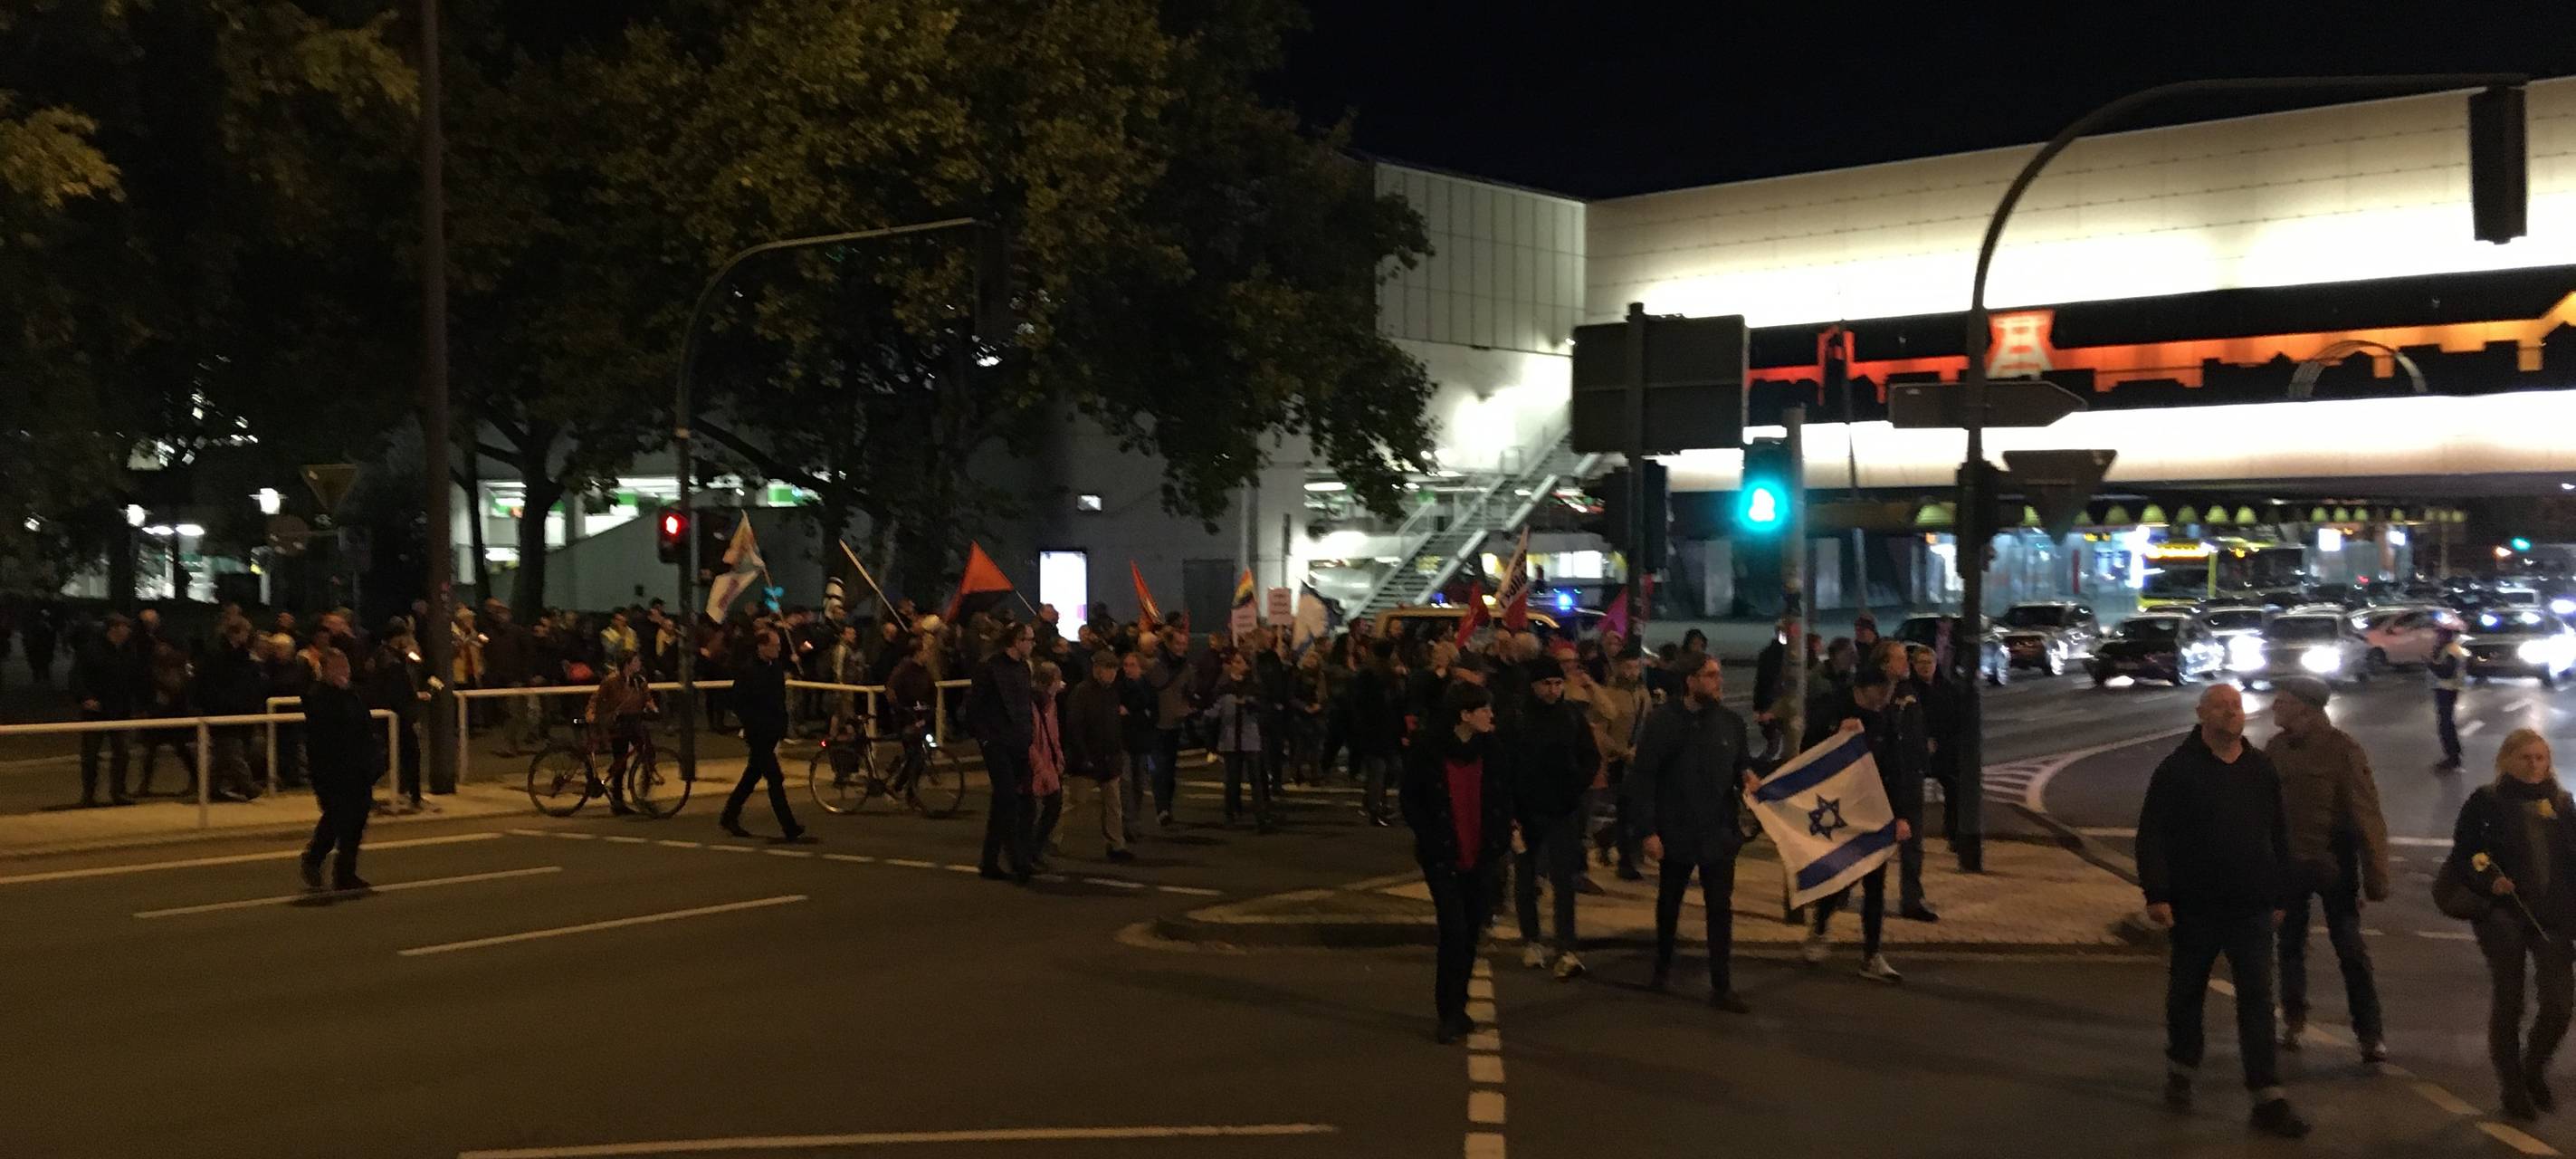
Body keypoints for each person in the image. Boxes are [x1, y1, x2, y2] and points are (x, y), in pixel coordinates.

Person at [2136, 684, 2309, 1138]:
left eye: (2236, 706)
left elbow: (2278, 833)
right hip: (2195, 906)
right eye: (2221, 706)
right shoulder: (2178, 770)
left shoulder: (2259, 768)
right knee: (2187, 992)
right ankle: (2182, 1067)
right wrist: (2157, 894)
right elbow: (2152, 834)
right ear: (2202, 714)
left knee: (2257, 1000)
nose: (2232, 713)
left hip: (2251, 906)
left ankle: (2267, 1095)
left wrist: (2281, 894)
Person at [2445, 729, 2576, 1120]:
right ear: (2507, 760)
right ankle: (2512, 1087)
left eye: (2540, 758)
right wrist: (2490, 880)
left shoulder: (2561, 803)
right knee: (2510, 999)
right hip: (2502, 915)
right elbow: (2466, 853)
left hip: (2552, 917)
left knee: (2559, 1004)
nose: (2534, 765)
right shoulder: (2486, 802)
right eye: (2525, 758)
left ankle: (2533, 1067)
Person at [2265, 675, 2390, 1064]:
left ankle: (2369, 1032)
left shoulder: (2342, 749)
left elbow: (2366, 813)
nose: (2275, 707)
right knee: (2288, 945)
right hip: (2288, 866)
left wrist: (2375, 877)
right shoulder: (2275, 748)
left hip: (2333, 865)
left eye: (2282, 701)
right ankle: (2293, 1019)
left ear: (2304, 708)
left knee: (2350, 949)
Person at [1627, 651, 1759, 1013]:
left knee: (1720, 908)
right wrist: (1648, 831)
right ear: (1690, 681)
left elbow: (1741, 764)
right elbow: (1644, 778)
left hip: (1718, 832)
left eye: (1718, 674)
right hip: (1676, 830)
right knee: (1670, 902)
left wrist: (1747, 776)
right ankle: (1662, 967)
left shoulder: (1730, 723)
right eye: (1710, 675)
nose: (1718, 682)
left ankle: (1722, 985)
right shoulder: (1662, 722)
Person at [1401, 682, 1512, 1044]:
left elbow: (1504, 794)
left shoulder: (1492, 749)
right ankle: (1448, 1011)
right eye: (1483, 709)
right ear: (1464, 715)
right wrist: (1429, 837)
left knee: (1471, 932)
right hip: (1444, 855)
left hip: (1481, 854)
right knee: (1454, 930)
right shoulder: (1428, 748)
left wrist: (1502, 836)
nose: (1490, 715)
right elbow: (1411, 799)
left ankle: (1459, 1005)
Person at [1799, 668, 1913, 982]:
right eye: (1884, 691)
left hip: (1875, 811)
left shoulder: (1885, 718)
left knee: (1875, 884)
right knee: (1841, 877)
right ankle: (1820, 926)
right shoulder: (1834, 708)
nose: (1887, 698)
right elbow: (1808, 750)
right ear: (1866, 689)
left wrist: (1901, 815)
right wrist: (1836, 734)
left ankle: (1872, 954)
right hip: (1840, 810)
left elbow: (1895, 767)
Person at [1513, 658, 1601, 981]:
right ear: (1533, 686)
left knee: (1564, 880)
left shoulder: (1571, 716)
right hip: (1526, 810)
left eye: (1557, 683)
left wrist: (1575, 785)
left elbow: (1590, 757)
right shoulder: (1519, 718)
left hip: (1563, 809)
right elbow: (1506, 764)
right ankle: (1531, 940)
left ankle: (1566, 945)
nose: (1553, 690)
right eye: (1546, 684)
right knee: (1526, 878)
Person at [300, 648, 377, 893]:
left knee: (357, 821)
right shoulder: (319, 696)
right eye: (337, 668)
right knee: (336, 818)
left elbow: (364, 727)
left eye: (345, 667)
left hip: (358, 768)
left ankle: (346, 872)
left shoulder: (352, 694)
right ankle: (314, 858)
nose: (343, 672)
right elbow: (325, 732)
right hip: (332, 769)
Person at [721, 628, 809, 841]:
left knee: (752, 776)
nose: (778, 649)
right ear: (762, 646)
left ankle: (729, 815)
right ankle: (789, 826)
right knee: (775, 778)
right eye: (775, 645)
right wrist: (753, 725)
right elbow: (739, 703)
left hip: (771, 730)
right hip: (758, 732)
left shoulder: (775, 668)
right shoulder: (748, 671)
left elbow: (779, 699)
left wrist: (780, 725)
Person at [968, 623, 1039, 881]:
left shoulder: (1023, 668)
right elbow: (974, 706)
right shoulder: (990, 668)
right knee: (1008, 799)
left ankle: (990, 860)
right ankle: (1016, 859)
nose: (1032, 644)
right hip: (998, 743)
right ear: (1017, 640)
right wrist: (986, 739)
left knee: (1008, 801)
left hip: (1018, 742)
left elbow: (1024, 705)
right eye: (1029, 640)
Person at [1061, 651, 1131, 861]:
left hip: (1109, 757)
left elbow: (1113, 726)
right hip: (1089, 759)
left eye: (1114, 669)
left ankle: (1116, 844)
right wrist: (1083, 755)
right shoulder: (1082, 692)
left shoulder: (1110, 693)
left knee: (1113, 804)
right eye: (1108, 669)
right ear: (1097, 669)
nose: (1112, 673)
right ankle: (1048, 836)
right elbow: (1074, 727)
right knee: (1075, 801)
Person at [1590, 648, 1652, 880]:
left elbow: (1646, 723)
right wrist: (1620, 752)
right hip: (1617, 760)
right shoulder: (1608, 694)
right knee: (1625, 809)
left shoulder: (1642, 692)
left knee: (1633, 809)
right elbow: (1600, 731)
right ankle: (1625, 859)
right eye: (1628, 667)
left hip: (1637, 758)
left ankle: (1612, 842)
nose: (1632, 672)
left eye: (1636, 667)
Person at [70, 616, 143, 807]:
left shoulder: (128, 651)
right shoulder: (91, 650)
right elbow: (77, 676)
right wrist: (85, 697)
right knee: (91, 754)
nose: (128, 631)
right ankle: (89, 795)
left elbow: (135, 678)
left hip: (120, 709)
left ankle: (117, 792)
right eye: (125, 627)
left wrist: (137, 703)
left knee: (122, 753)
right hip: (97, 710)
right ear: (114, 628)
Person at [363, 622, 431, 812]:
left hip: (385, 715)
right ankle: (414, 797)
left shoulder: (379, 655)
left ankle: (364, 791)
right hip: (397, 717)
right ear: (399, 638)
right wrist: (413, 702)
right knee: (407, 755)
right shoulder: (393, 662)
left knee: (389, 757)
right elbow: (397, 692)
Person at [1206, 651, 1274, 832]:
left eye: (1239, 662)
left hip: (1250, 738)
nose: (1235, 665)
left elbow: (1264, 708)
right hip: (1230, 738)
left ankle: (1261, 817)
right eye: (1233, 662)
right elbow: (1213, 712)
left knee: (1256, 780)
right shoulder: (1223, 688)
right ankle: (1231, 814)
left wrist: (1250, 703)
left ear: (1247, 666)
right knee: (1232, 781)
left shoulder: (1254, 687)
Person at [1348, 640, 1405, 826]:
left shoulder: (1375, 674)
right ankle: (1376, 809)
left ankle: (1374, 803)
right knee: (1379, 770)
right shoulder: (1378, 676)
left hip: (1379, 729)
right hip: (1378, 729)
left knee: (1382, 769)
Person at [1025, 661, 1070, 867]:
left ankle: (1034, 849)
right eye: (1057, 679)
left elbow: (1054, 734)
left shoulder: (1051, 704)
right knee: (1033, 809)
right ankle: (1029, 852)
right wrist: (1039, 765)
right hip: (1035, 764)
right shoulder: (1033, 705)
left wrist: (1058, 756)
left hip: (1047, 762)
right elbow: (1029, 739)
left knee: (1053, 804)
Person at [1115, 652, 1159, 845]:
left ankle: (1135, 820)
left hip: (1142, 741)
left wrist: (1133, 713)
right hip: (1125, 741)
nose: (1128, 669)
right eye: (1125, 665)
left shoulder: (1148, 688)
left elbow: (1153, 714)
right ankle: (1129, 824)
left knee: (1139, 783)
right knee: (1126, 783)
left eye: (1132, 665)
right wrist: (1140, 713)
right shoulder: (1120, 687)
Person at [2431, 625, 2467, 775]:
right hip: (2447, 689)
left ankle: (2453, 757)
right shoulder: (2449, 648)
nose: (2437, 638)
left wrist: (2430, 664)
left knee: (2446, 725)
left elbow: (2446, 672)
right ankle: (2454, 754)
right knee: (2446, 724)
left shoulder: (2452, 650)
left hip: (2447, 689)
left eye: (2440, 635)